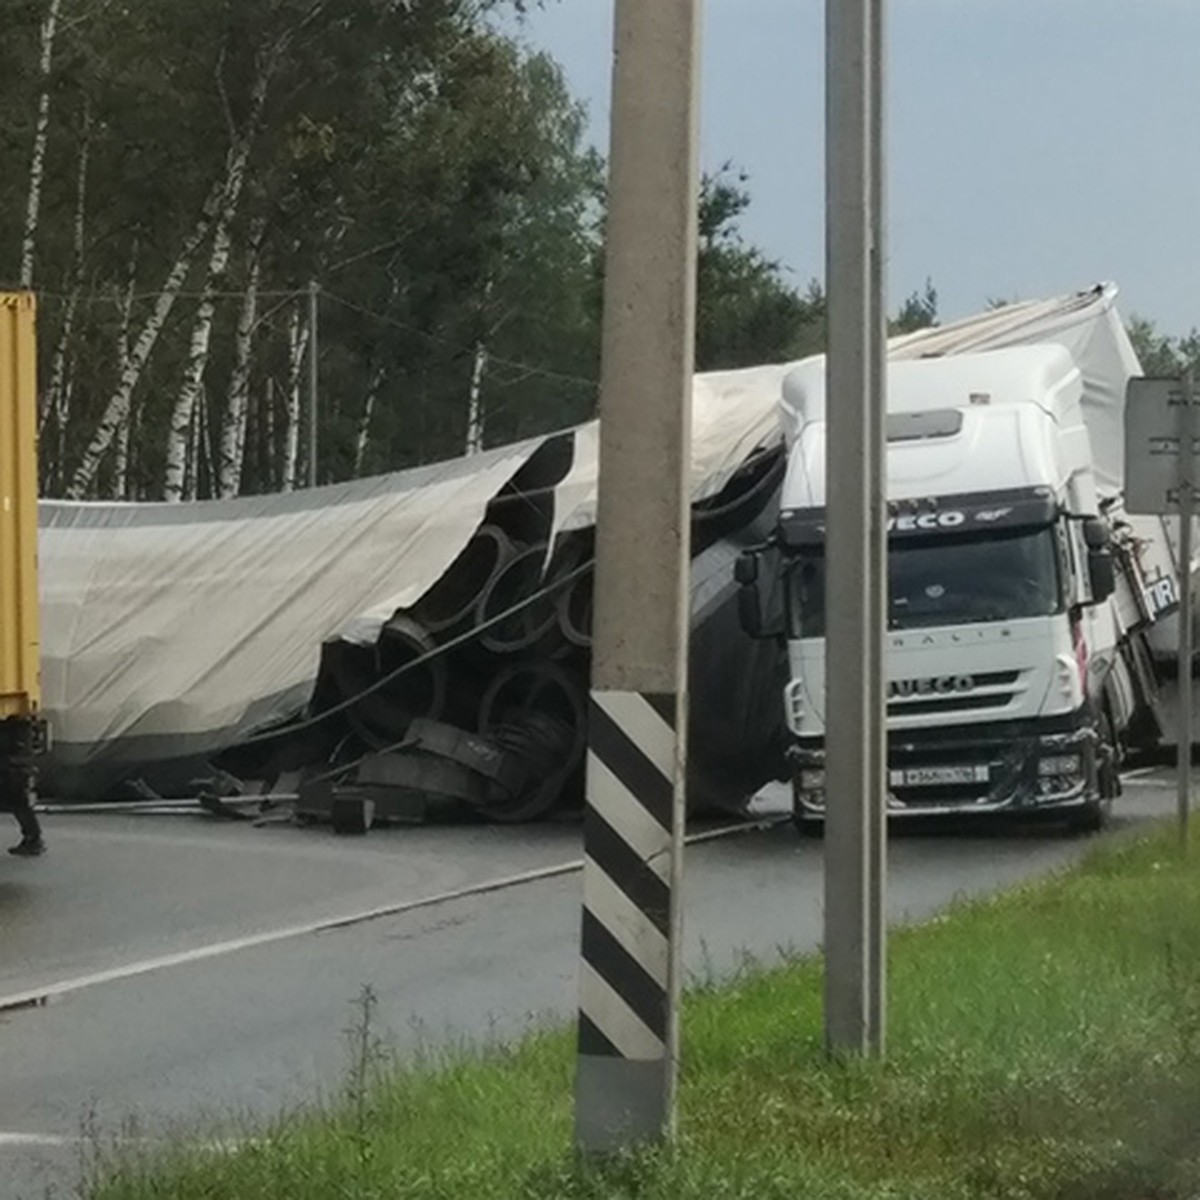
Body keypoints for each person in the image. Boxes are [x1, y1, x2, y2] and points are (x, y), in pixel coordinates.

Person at [2, 767, 45, 857]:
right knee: (18, 802)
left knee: (17, 802)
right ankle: (33, 839)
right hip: (14, 766)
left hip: (12, 767)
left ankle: (33, 839)